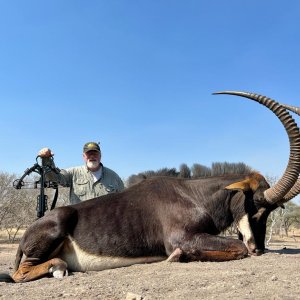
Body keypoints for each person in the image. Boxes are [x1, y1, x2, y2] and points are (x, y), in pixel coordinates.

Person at [38, 142, 125, 204]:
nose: (92, 156)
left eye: (95, 153)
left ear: (100, 156)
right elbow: (55, 179)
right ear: (83, 156)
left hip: (105, 225)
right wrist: (46, 160)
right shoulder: (73, 172)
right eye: (88, 154)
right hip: (80, 226)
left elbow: (124, 199)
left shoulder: (114, 176)